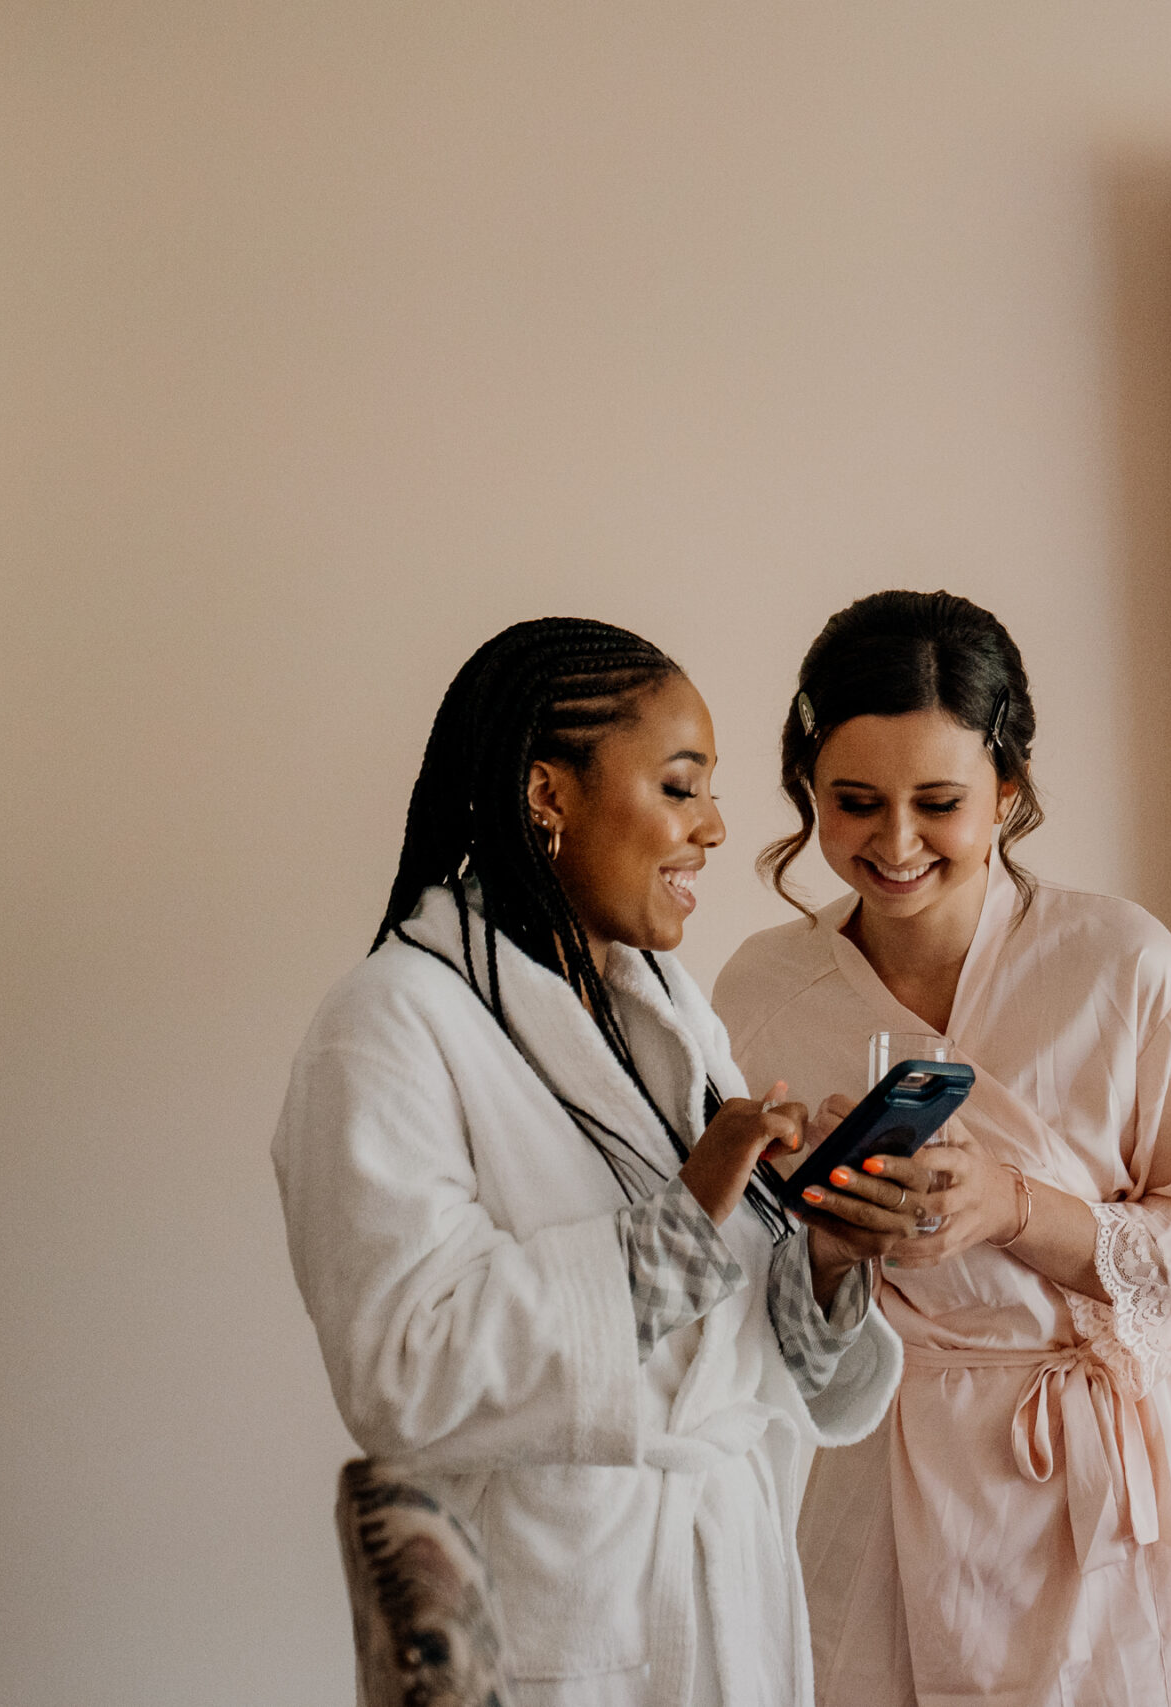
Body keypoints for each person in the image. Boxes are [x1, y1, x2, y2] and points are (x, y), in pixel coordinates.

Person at [273, 618, 909, 1707]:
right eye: (679, 786)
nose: (714, 827)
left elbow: (731, 1342)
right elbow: (403, 1368)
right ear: (547, 794)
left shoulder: (663, 1009)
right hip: (554, 1617)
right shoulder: (386, 1027)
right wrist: (686, 1216)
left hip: (730, 1600)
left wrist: (832, 1258)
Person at [713, 591, 1171, 1707]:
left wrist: (1015, 1207)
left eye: (940, 803)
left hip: (1076, 1483)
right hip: (871, 1467)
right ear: (806, 792)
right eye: (855, 803)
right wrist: (828, 1243)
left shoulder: (1121, 965)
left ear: (1007, 791)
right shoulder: (758, 993)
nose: (896, 843)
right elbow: (737, 1301)